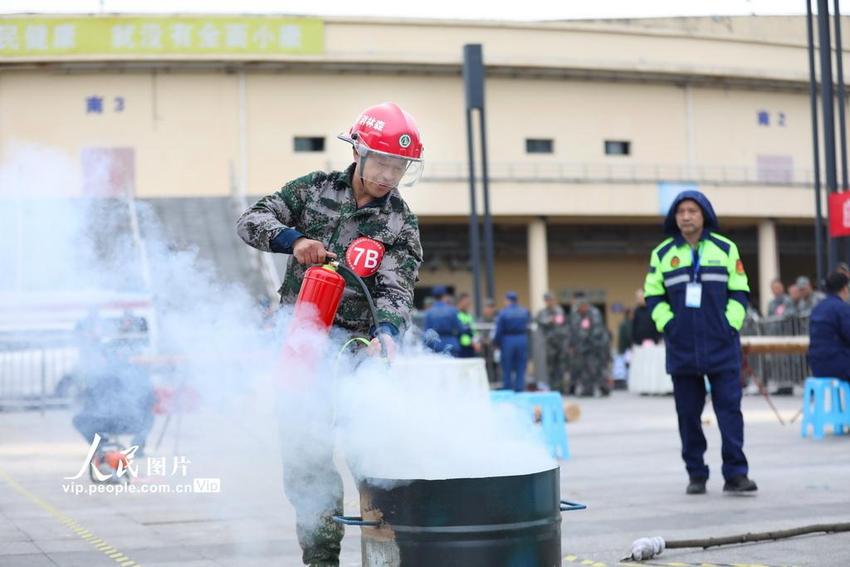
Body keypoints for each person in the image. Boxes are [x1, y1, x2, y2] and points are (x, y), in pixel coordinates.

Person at [236, 101, 424, 567]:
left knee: (374, 455)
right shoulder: (313, 190)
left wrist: (389, 333)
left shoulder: (401, 223)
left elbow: (396, 289)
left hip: (359, 353)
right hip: (302, 347)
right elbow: (251, 221)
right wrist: (294, 240)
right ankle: (321, 560)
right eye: (381, 161)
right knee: (306, 460)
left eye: (399, 167)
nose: (387, 176)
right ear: (359, 152)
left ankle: (385, 556)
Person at [643, 190, 757, 495]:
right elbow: (653, 296)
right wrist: (669, 324)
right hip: (682, 349)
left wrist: (730, 325)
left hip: (723, 346)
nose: (686, 216)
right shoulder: (663, 254)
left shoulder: (725, 248)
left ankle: (736, 474)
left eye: (692, 210)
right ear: (674, 218)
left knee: (729, 412)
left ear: (704, 214)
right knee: (687, 415)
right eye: (680, 211)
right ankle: (696, 473)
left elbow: (740, 292)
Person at [807, 271, 850, 382]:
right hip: (838, 364)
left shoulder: (817, 308)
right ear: (844, 288)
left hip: (816, 365)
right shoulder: (842, 308)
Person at [567, 292, 611, 397]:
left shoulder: (594, 313)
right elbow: (574, 330)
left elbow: (595, 331)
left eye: (580, 307)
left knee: (596, 368)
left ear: (585, 305)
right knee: (586, 368)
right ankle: (588, 389)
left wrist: (584, 341)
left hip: (596, 346)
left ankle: (603, 388)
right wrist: (573, 344)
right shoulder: (579, 315)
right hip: (584, 348)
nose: (578, 310)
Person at [493, 291, 531, 391]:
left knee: (507, 366)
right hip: (521, 339)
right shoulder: (524, 312)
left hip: (508, 340)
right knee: (521, 366)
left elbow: (499, 330)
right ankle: (519, 389)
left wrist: (496, 342)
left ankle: (508, 389)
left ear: (507, 300)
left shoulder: (503, 313)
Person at [535, 291, 569, 393]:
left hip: (560, 342)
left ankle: (561, 388)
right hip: (549, 343)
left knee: (561, 365)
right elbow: (540, 322)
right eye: (547, 300)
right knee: (551, 366)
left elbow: (562, 324)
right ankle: (553, 387)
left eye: (551, 299)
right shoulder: (542, 312)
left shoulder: (559, 311)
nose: (550, 302)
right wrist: (549, 321)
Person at [423, 286, 462, 356]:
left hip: (436, 346)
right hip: (451, 344)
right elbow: (460, 328)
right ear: (445, 296)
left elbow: (427, 333)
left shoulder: (429, 312)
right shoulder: (452, 310)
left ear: (434, 297)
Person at [456, 292, 479, 358]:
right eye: (466, 302)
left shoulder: (469, 316)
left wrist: (476, 342)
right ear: (460, 302)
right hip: (461, 348)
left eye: (469, 302)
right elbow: (461, 332)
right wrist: (471, 342)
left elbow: (474, 331)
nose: (468, 304)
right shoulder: (456, 315)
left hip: (471, 347)